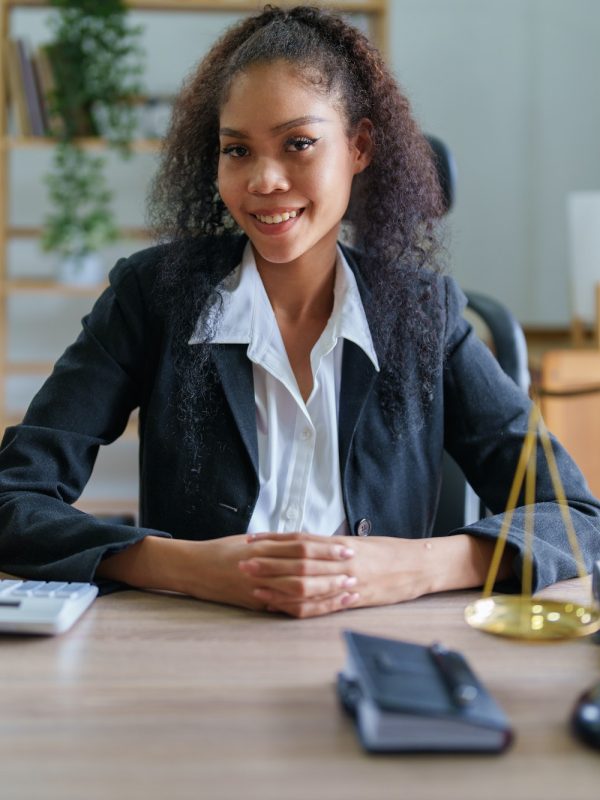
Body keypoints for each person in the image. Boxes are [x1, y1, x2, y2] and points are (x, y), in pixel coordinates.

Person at [0, 5, 599, 619]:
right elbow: (12, 501)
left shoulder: (424, 313)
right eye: (237, 150)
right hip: (191, 649)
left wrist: (414, 566)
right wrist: (188, 566)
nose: (263, 179)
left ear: (359, 147)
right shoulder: (151, 297)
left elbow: (576, 520)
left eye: (299, 144)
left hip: (382, 647)